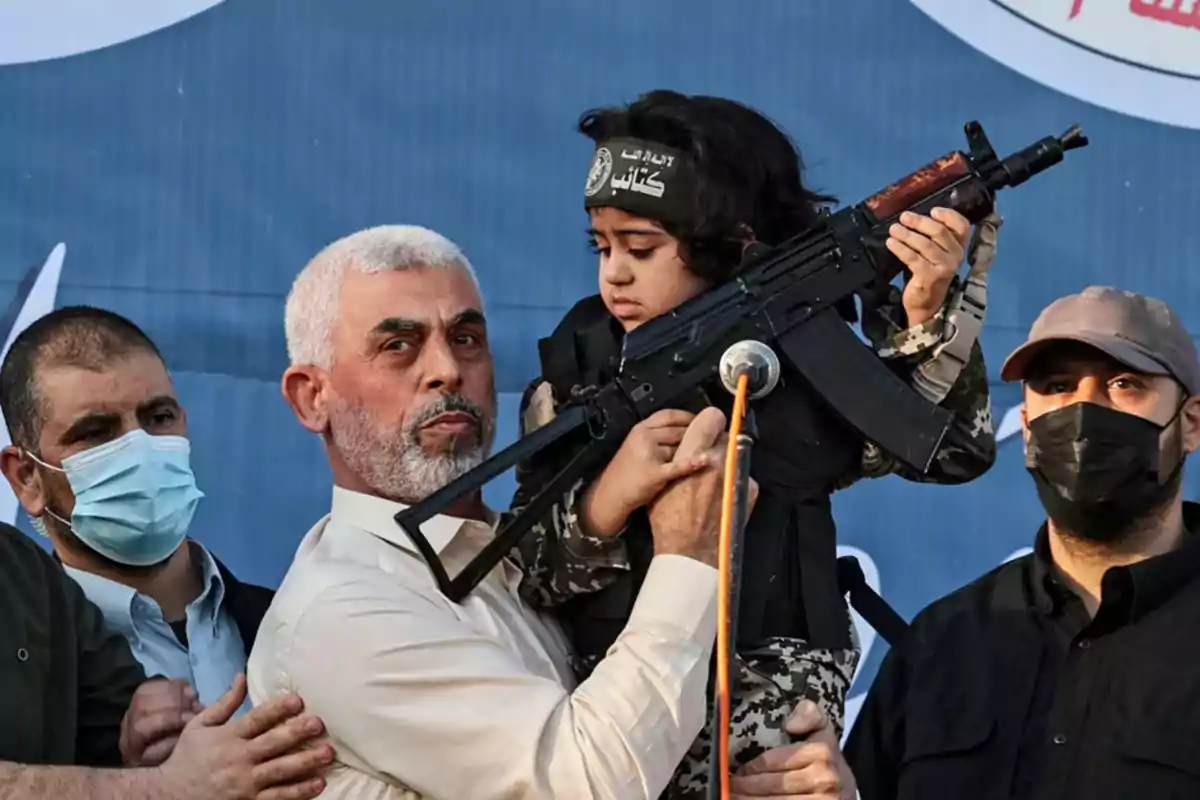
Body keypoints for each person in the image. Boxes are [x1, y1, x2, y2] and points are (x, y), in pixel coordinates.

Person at [249, 224, 856, 799]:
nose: (446, 372)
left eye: (465, 338)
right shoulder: (342, 610)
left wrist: (788, 773)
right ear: (312, 397)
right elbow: (585, 784)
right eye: (398, 346)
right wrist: (690, 556)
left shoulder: (534, 555)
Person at [510, 89, 998, 792]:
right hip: (616, 722)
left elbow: (949, 451)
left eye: (642, 248)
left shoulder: (801, 366)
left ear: (727, 246)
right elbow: (526, 570)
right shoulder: (582, 374)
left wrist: (922, 314)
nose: (614, 272)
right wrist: (607, 502)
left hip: (775, 721)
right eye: (603, 246)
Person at [844, 286, 1200, 799]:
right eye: (1057, 385)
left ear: (1189, 423)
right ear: (1028, 426)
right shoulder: (942, 642)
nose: (1082, 413)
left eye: (1124, 384)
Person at [0, 306, 273, 717]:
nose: (141, 449)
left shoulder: (291, 623)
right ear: (27, 478)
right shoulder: (19, 673)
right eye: (96, 433)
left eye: (158, 418)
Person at [0, 518, 333, 798]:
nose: (135, 453)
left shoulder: (19, 564)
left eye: (157, 434)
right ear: (26, 478)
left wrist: (145, 722)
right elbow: (176, 783)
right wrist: (163, 787)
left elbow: (117, 718)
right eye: (91, 437)